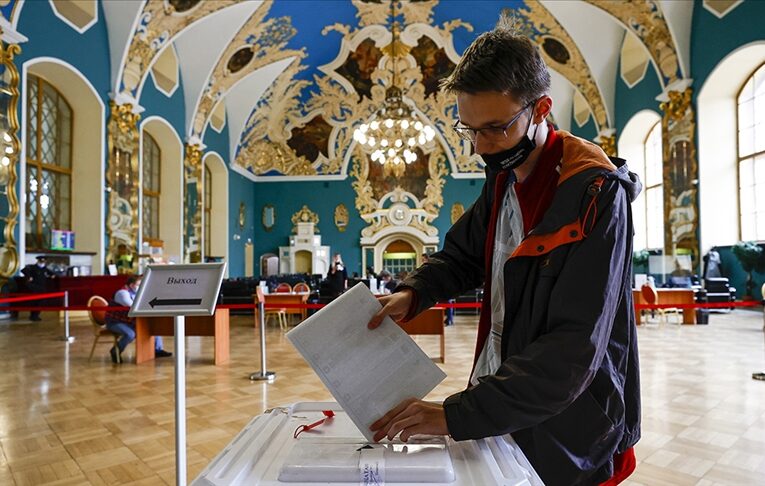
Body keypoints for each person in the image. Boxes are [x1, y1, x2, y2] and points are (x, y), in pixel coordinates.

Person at [367, 16, 641, 486]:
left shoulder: (595, 194)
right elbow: (464, 255)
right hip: (504, 392)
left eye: (495, 128)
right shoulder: (503, 177)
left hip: (571, 420)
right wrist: (413, 294)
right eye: (469, 129)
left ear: (541, 109)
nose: (480, 147)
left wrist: (454, 416)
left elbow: (572, 350)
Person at [105, 275, 172, 363]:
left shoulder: (134, 292)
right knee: (130, 334)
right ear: (132, 285)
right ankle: (116, 351)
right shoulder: (122, 293)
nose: (140, 287)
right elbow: (134, 307)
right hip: (115, 322)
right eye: (138, 285)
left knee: (152, 326)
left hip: (128, 321)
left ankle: (157, 350)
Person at [19, 256, 55, 321]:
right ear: (38, 261)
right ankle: (33, 316)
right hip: (34, 288)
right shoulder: (32, 267)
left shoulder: (44, 268)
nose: (42, 263)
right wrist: (29, 277)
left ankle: (36, 315)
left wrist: (52, 275)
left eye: (43, 261)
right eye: (41, 261)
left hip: (42, 288)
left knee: (41, 302)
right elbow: (23, 270)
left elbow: (51, 273)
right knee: (34, 302)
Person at [423, 252, 455, 326]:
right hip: (439, 289)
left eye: (423, 259)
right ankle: (447, 320)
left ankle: (449, 320)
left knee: (448, 305)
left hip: (445, 289)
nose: (423, 261)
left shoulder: (435, 266)